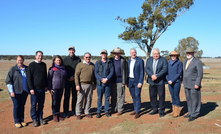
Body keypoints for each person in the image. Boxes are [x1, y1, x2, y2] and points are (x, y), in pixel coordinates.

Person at [6, 55, 29, 128]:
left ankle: (22, 120)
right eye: (18, 60)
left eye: (21, 60)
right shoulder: (13, 69)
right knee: (16, 106)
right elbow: (8, 81)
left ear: (23, 60)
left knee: (22, 106)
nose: (20, 62)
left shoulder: (27, 69)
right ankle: (17, 121)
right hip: (15, 92)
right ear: (16, 61)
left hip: (24, 91)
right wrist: (11, 91)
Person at [27, 51, 48, 127]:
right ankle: (34, 119)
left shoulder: (43, 65)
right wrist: (31, 88)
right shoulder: (32, 65)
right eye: (39, 56)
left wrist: (46, 85)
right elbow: (29, 78)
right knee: (33, 105)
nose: (40, 57)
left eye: (41, 56)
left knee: (41, 104)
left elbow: (45, 76)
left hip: (42, 89)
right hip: (34, 89)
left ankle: (40, 118)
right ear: (36, 56)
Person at [145, 48, 168, 117]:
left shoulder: (163, 60)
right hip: (151, 81)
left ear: (159, 54)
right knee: (152, 96)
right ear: (152, 54)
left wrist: (157, 76)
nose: (156, 55)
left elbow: (164, 69)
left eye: (157, 54)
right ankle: (154, 109)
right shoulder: (149, 60)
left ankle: (161, 111)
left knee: (161, 96)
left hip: (160, 81)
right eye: (154, 54)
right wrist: (152, 75)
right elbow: (147, 69)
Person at [183, 47, 203, 122]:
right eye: (187, 53)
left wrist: (197, 83)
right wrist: (183, 82)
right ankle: (190, 112)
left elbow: (200, 74)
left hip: (194, 84)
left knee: (195, 100)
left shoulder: (198, 62)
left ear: (193, 53)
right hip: (186, 84)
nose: (188, 54)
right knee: (189, 99)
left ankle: (195, 114)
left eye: (190, 53)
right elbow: (184, 73)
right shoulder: (185, 62)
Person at [75, 52, 96, 120]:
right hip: (82, 84)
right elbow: (76, 75)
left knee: (89, 99)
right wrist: (77, 85)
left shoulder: (92, 65)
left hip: (90, 85)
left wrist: (94, 84)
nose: (88, 58)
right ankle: (78, 113)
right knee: (80, 99)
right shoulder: (80, 65)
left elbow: (94, 76)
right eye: (86, 57)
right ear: (84, 57)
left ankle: (87, 111)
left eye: (89, 57)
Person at [95, 49, 114, 118]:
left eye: (105, 53)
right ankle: (99, 112)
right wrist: (101, 79)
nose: (103, 54)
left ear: (107, 54)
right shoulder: (97, 63)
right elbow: (96, 73)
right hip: (100, 83)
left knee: (107, 98)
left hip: (108, 83)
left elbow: (112, 72)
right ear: (101, 54)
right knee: (99, 98)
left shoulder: (110, 62)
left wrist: (107, 79)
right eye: (102, 53)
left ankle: (106, 111)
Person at [63, 46, 81, 118]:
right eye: (70, 50)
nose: (71, 51)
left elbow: (79, 70)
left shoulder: (78, 59)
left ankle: (74, 110)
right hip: (67, 81)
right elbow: (63, 70)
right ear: (68, 51)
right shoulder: (65, 59)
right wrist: (68, 77)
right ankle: (65, 112)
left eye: (73, 50)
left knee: (75, 97)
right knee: (66, 97)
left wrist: (74, 77)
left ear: (74, 51)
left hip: (75, 81)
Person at [48, 55, 67, 122]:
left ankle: (58, 113)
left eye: (59, 60)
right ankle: (54, 114)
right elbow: (49, 79)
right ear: (54, 61)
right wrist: (50, 88)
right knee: (54, 102)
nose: (58, 61)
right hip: (54, 88)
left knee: (59, 101)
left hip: (61, 87)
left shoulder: (63, 68)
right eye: (57, 60)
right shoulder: (52, 69)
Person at [110, 47, 128, 116]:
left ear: (120, 54)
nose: (117, 54)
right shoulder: (111, 60)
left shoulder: (123, 60)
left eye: (118, 53)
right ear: (114, 54)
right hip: (112, 81)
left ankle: (120, 109)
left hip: (121, 81)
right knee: (113, 96)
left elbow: (126, 71)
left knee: (121, 96)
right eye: (115, 53)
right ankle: (114, 109)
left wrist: (124, 81)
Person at [128, 48, 144, 119]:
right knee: (133, 95)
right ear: (130, 53)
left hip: (137, 81)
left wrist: (140, 82)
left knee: (137, 95)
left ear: (136, 53)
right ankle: (135, 109)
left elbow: (142, 72)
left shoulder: (140, 61)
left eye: (134, 52)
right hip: (130, 80)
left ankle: (138, 111)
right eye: (132, 52)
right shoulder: (128, 61)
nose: (133, 54)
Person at [166, 51, 183, 117]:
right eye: (172, 55)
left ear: (177, 56)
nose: (173, 57)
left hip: (176, 82)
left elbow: (179, 73)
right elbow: (166, 73)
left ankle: (177, 112)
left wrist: (172, 80)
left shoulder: (179, 63)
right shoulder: (169, 63)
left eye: (174, 55)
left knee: (176, 96)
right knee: (172, 96)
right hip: (169, 82)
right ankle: (174, 111)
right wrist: (168, 80)